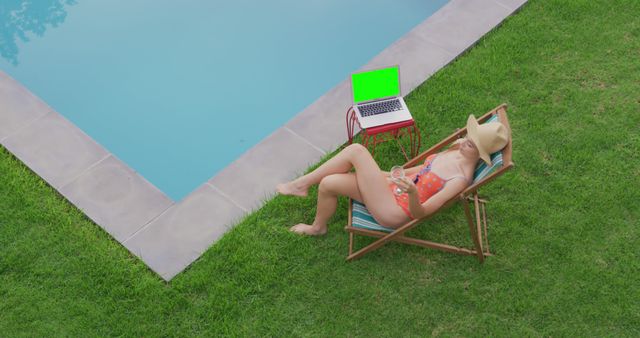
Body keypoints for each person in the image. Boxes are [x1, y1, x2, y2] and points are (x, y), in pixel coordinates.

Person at [277, 114, 509, 235]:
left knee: (357, 150)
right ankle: (318, 228)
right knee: (328, 184)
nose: (465, 140)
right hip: (390, 190)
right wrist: (382, 175)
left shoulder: (459, 180)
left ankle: (301, 184)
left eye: (472, 142)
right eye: (470, 135)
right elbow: (419, 171)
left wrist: (413, 194)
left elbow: (422, 213)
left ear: (481, 154)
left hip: (395, 211)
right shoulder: (456, 150)